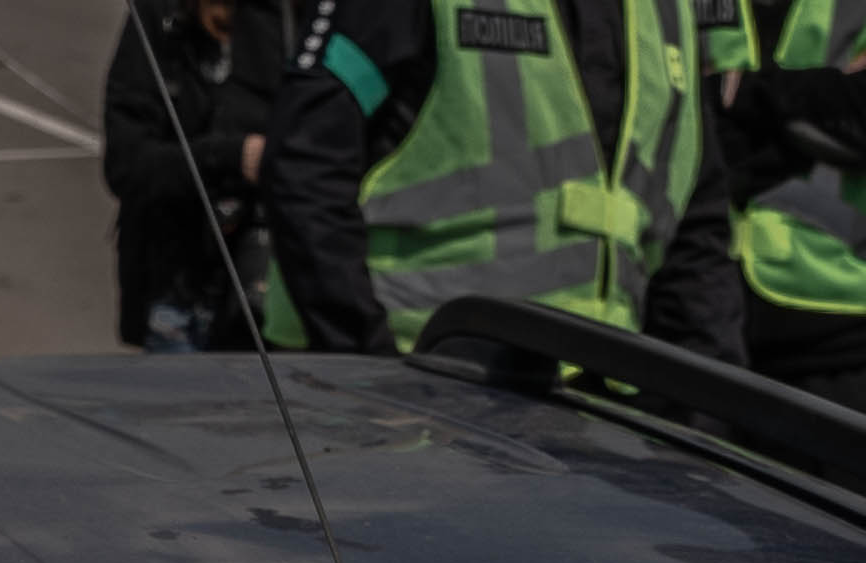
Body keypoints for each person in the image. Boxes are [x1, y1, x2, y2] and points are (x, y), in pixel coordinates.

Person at [259, 0, 710, 347]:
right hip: (413, 379)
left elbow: (698, 220)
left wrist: (700, 413)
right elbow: (307, 159)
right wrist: (364, 354)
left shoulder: (669, 10)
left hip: (599, 391)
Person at [690, 0, 866, 414]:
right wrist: (835, 89)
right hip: (683, 303)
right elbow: (651, 101)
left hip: (828, 324)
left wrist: (742, 93)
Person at [103, 0, 281, 347]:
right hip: (175, 287)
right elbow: (125, 164)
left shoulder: (287, 20)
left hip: (265, 285)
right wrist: (228, 156)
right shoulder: (159, 18)